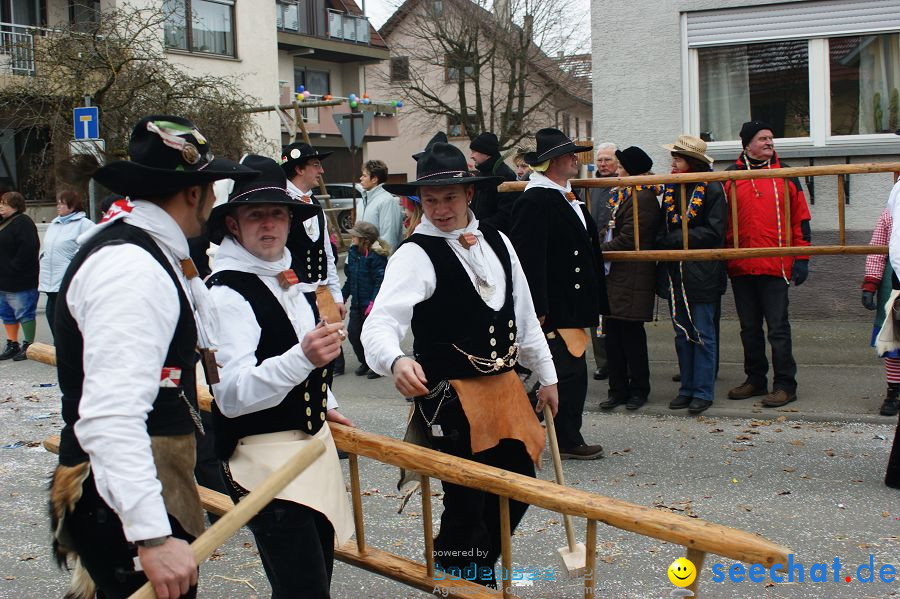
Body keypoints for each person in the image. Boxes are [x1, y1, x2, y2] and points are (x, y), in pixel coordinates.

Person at [49, 115, 258, 599]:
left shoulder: (153, 252)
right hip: (121, 499)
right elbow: (111, 415)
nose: (213, 199)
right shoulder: (131, 267)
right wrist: (152, 535)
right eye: (211, 188)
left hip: (139, 487)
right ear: (193, 193)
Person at [361, 140, 558, 582]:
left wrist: (547, 375)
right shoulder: (414, 254)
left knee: (519, 482)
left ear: (469, 194)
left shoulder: (499, 240)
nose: (440, 209)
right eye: (430, 200)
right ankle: (464, 579)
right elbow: (378, 325)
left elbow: (524, 317)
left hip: (506, 390)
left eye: (449, 198)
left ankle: (469, 570)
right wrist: (394, 360)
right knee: (467, 500)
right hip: (451, 398)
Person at [205, 154, 354, 598]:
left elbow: (300, 356)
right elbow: (230, 396)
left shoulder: (286, 276)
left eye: (277, 213)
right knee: (304, 591)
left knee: (310, 583)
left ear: (289, 220)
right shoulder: (226, 293)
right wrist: (302, 359)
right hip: (259, 461)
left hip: (310, 450)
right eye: (255, 215)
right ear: (233, 225)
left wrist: (327, 404)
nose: (268, 224)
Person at [510, 127, 607, 459]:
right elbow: (528, 258)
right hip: (554, 304)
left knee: (569, 371)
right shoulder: (535, 199)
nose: (574, 159)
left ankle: (551, 434)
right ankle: (528, 431)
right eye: (569, 154)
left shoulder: (564, 193)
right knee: (565, 372)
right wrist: (536, 306)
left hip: (571, 301)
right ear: (553, 162)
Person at [724, 121, 811, 408]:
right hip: (741, 267)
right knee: (749, 328)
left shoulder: (787, 174)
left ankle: (786, 384)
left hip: (776, 266)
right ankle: (755, 379)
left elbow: (801, 218)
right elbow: (720, 221)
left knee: (777, 328)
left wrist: (802, 257)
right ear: (747, 144)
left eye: (771, 138)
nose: (769, 142)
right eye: (762, 138)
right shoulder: (730, 177)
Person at [655, 135, 726, 415]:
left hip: (702, 271)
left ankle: (703, 391)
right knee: (681, 333)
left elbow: (714, 231)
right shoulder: (672, 188)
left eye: (678, 158)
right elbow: (663, 226)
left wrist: (675, 239)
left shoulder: (711, 189)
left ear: (692, 163)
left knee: (702, 333)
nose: (673, 163)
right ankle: (686, 388)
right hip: (676, 271)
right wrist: (664, 240)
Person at [597, 147, 662, 411]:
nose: (617, 171)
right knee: (612, 337)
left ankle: (638, 389)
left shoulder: (643, 197)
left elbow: (630, 238)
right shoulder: (624, 194)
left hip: (632, 274)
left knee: (631, 337)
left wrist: (596, 250)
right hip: (615, 274)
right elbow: (610, 228)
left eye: (621, 167)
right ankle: (617, 389)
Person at [281, 142, 346, 379]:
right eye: (316, 165)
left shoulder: (314, 202)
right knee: (301, 361)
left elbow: (327, 253)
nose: (322, 171)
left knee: (328, 359)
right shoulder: (280, 202)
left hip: (321, 296)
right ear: (299, 169)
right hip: (293, 296)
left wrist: (335, 296)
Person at [38, 190, 95, 342]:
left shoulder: (85, 224)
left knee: (66, 324)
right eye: (58, 203)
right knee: (52, 319)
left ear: (73, 205)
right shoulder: (54, 224)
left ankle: (70, 354)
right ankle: (60, 352)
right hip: (50, 284)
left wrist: (72, 266)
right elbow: (47, 248)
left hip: (67, 283)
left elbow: (88, 249)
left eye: (62, 203)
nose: (58, 206)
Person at [864, 206, 900, 417]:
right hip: (894, 284)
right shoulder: (891, 211)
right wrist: (871, 283)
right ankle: (894, 392)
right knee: (893, 342)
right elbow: (877, 249)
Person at [341, 221, 389, 378]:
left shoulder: (376, 256)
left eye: (355, 235)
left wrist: (373, 302)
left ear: (364, 239)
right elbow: (349, 279)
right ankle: (365, 362)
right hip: (356, 304)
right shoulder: (353, 253)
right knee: (354, 335)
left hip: (370, 305)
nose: (352, 237)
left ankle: (377, 366)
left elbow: (380, 282)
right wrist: (341, 297)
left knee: (372, 337)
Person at [587, 142, 619, 381]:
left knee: (615, 315)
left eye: (607, 160)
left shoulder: (620, 185)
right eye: (600, 160)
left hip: (616, 259)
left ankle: (618, 359)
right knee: (596, 315)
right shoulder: (590, 186)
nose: (603, 164)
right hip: (594, 257)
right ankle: (603, 362)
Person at [0, 191, 40, 361]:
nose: (1, 206)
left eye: (5, 203)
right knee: (7, 313)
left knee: (24, 312)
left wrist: (13, 267)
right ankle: (12, 343)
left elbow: (29, 248)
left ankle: (28, 344)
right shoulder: (3, 222)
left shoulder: (23, 222)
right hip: (3, 279)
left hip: (20, 279)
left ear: (15, 205)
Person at [469, 132, 518, 232]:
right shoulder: (481, 174)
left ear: (486, 153)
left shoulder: (504, 175)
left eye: (474, 151)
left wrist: (480, 227)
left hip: (496, 236)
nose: (471, 156)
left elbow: (506, 214)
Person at [356, 159, 403, 252]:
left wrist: (382, 262)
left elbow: (389, 237)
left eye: (364, 175)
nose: (361, 178)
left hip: (377, 262)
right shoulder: (363, 199)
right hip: (361, 259)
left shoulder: (387, 201)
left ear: (374, 179)